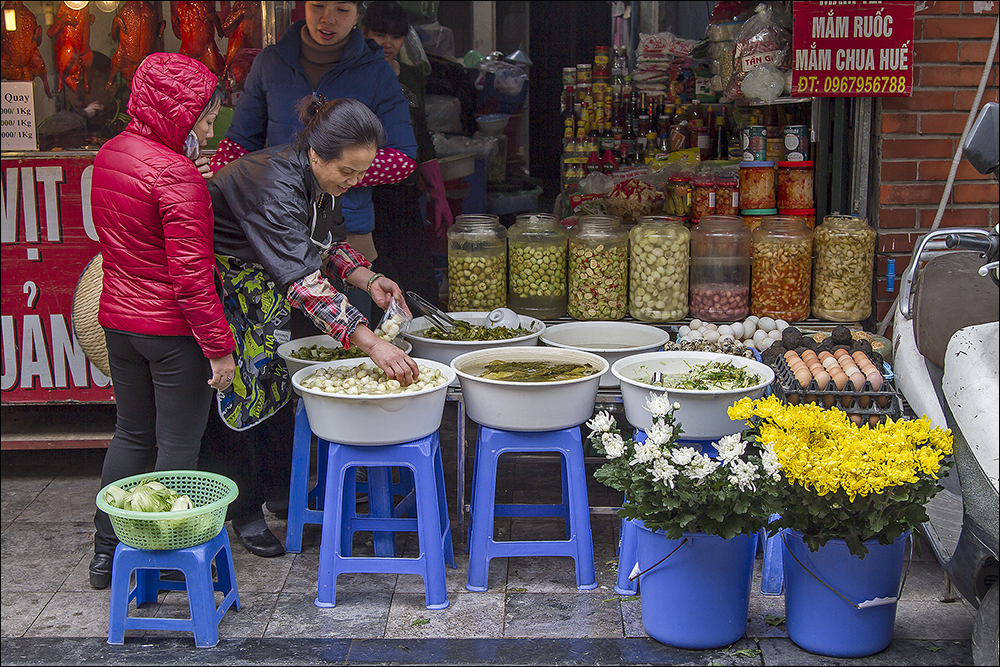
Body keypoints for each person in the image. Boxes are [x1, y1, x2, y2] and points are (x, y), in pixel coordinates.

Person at [199, 95, 419, 557]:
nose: (355, 182)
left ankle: (281, 489)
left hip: (269, 292)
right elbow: (304, 281)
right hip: (226, 291)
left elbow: (327, 242)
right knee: (238, 390)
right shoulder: (272, 183)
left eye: (363, 173)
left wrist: (369, 276)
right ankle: (243, 509)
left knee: (277, 383)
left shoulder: (321, 181)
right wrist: (372, 343)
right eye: (348, 172)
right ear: (318, 153)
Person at [87, 52, 237, 590]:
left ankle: (105, 557)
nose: (207, 126)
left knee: (130, 434)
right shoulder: (179, 178)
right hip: (172, 333)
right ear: (174, 112)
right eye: (202, 115)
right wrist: (219, 348)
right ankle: (164, 563)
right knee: (178, 448)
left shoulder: (110, 154)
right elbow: (193, 280)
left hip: (118, 320)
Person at [208, 0, 417, 276]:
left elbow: (403, 158)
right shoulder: (270, 63)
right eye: (318, 6)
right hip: (272, 230)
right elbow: (238, 143)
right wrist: (210, 193)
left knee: (348, 308)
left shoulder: (376, 70)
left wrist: (338, 171)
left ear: (357, 16)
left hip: (347, 234)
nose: (327, 19)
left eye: (342, 10)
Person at [362, 0, 451, 313]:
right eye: (380, 34)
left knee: (420, 282)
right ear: (363, 32)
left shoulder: (411, 75)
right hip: (365, 193)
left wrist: (438, 195)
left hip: (406, 193)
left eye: (397, 36)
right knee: (381, 279)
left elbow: (422, 136)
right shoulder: (356, 75)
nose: (388, 43)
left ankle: (423, 351)